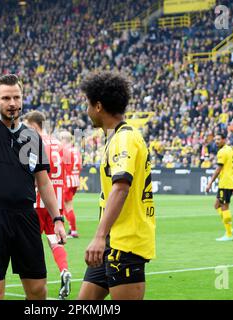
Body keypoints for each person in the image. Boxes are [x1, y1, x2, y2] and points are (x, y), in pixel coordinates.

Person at [0, 25, 67, 300]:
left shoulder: (32, 137)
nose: (12, 102)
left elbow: (44, 181)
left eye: (16, 97)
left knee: (38, 289)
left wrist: (58, 218)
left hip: (27, 217)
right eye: (5, 98)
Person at [77, 71, 156, 300]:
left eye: (88, 104)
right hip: (112, 241)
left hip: (125, 243)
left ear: (98, 106)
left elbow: (121, 187)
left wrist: (99, 236)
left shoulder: (125, 138)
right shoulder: (115, 138)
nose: (87, 110)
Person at [24, 111, 72, 300]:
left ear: (35, 126)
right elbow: (64, 172)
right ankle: (64, 270)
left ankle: (36, 285)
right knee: (53, 239)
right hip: (55, 202)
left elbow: (34, 174)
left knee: (30, 244)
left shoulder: (34, 142)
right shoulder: (59, 145)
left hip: (38, 198)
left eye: (27, 125)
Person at [206, 132, 233, 241]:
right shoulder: (230, 150)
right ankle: (230, 228)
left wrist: (210, 183)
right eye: (215, 139)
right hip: (229, 181)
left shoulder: (222, 152)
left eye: (219, 139)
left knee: (224, 207)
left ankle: (229, 234)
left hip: (225, 182)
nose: (216, 141)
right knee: (216, 205)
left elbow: (218, 169)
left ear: (224, 139)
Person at [59, 131, 82, 238]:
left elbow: (64, 166)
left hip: (68, 180)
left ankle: (73, 230)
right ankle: (71, 229)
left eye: (61, 139)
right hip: (75, 179)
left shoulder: (66, 150)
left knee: (66, 206)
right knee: (67, 205)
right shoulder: (76, 150)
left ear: (64, 139)